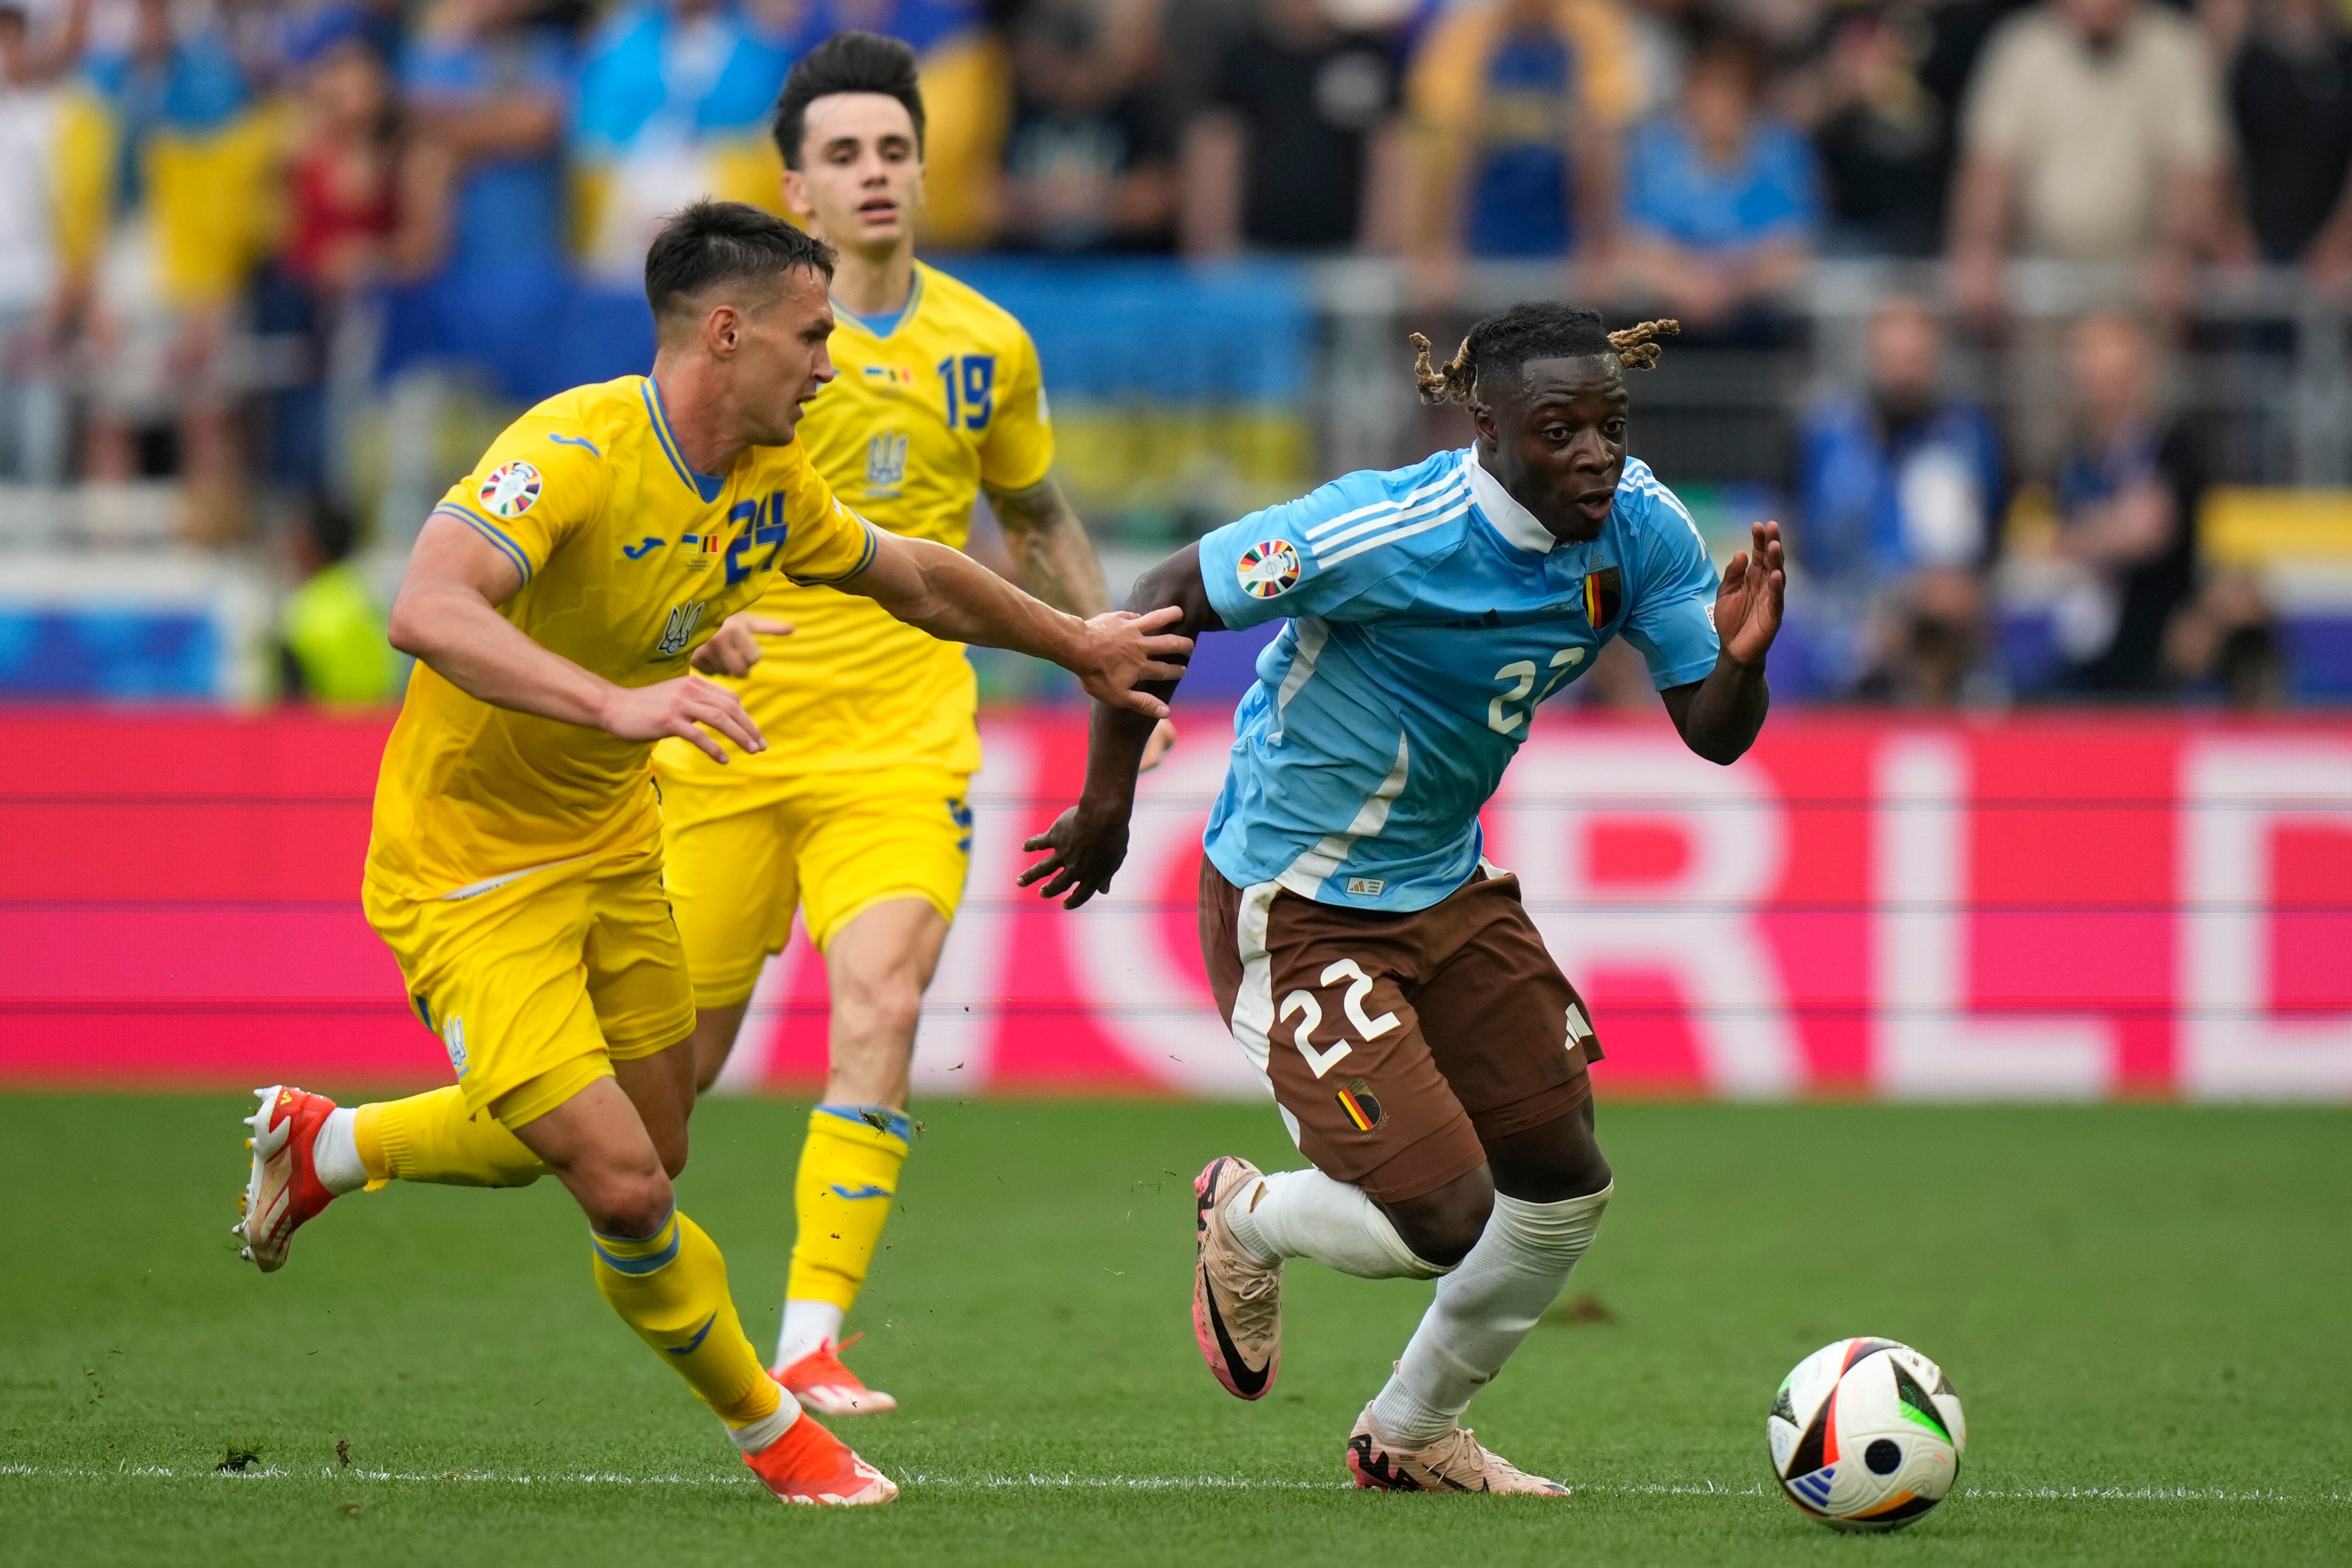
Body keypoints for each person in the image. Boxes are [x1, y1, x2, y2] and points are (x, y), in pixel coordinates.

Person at [230, 200, 1189, 1507]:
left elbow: (909, 575)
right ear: (727, 333)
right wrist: (622, 701)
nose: (830, 364)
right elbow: (428, 605)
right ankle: (777, 1432)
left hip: (614, 845)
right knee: (623, 1187)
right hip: (470, 870)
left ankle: (330, 1144)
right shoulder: (569, 446)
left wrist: (1082, 644)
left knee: (646, 1141)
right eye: (811, 335)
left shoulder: (765, 485)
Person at [1020, 304, 1787, 1490]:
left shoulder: (1639, 525)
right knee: (1445, 1219)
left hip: (1446, 885)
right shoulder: (1383, 528)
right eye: (1559, 429)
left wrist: (1738, 663)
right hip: (1298, 901)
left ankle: (1412, 1431)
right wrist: (1107, 804)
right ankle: (1249, 1216)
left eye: (1610, 425)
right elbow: (1166, 590)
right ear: (1486, 428)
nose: (1596, 453)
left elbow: (1714, 737)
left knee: (1563, 1185)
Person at [655, 31, 1174, 1418]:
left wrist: (1103, 655)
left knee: (881, 1003)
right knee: (665, 1091)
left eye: (893, 150)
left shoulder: (985, 344)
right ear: (795, 188)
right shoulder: (746, 339)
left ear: (923, 170)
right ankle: (351, 1142)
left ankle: (812, 1338)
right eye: (844, 155)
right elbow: (659, 497)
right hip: (727, 733)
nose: (874, 173)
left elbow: (1034, 513)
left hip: (903, 733)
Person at [1947, 0, 2228, 320]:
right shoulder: (2021, 48)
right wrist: (1981, 248)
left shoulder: (2174, 48)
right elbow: (1990, 167)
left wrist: (2180, 251)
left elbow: (2194, 167)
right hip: (2039, 283)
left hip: (2143, 288)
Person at [1793, 297, 2002, 702]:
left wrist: (1956, 588)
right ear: (1872, 355)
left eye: (1916, 356)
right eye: (1894, 356)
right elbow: (1800, 530)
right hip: (1841, 617)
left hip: (1944, 622)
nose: (1905, 370)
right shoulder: (1826, 433)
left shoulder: (1970, 435)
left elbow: (1992, 537)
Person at [1617, 32, 1819, 331]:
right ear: (1690, 94)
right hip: (1666, 310)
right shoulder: (1653, 151)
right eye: (1708, 90)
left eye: (1730, 91)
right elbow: (1635, 242)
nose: (1718, 105)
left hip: (1759, 312)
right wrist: (1686, 285)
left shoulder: (1779, 150)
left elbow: (1792, 245)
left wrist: (1732, 288)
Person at [2044, 310, 2199, 695]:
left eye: (2112, 373)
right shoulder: (2070, 460)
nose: (2098, 383)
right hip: (2082, 660)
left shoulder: (2171, 447)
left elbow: (2149, 529)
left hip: (2154, 658)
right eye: (2088, 370)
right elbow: (2042, 544)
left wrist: (2078, 539)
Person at [1179, 0, 1405, 257]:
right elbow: (1214, 154)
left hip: (1346, 256)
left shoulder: (1367, 56)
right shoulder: (1241, 56)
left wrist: (1383, 251)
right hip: (1255, 254)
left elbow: (1390, 157)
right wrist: (1208, 251)